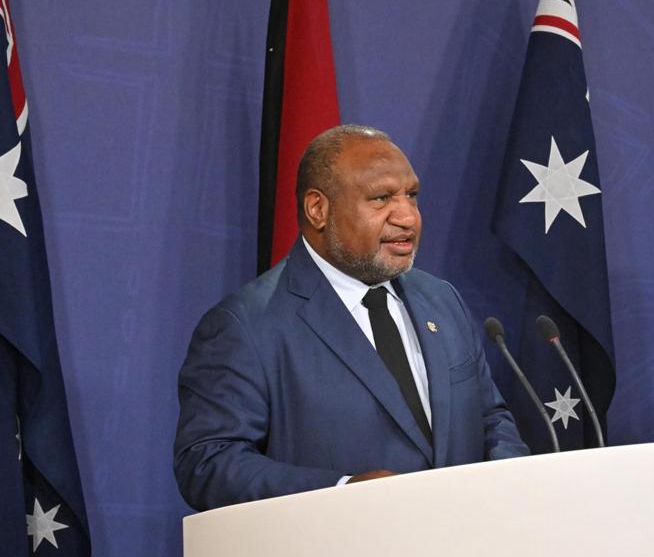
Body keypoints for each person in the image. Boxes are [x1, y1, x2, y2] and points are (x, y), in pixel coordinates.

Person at [174, 125, 528, 511]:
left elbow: (490, 417)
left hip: (462, 551)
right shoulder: (247, 325)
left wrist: (506, 485)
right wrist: (342, 491)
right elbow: (208, 462)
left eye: (411, 195)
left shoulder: (442, 300)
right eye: (381, 199)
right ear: (318, 209)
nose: (408, 217)